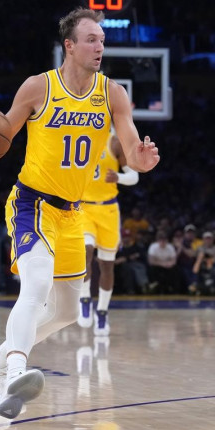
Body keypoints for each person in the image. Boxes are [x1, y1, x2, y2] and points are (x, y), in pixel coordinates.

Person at [0, 7, 159, 420]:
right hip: (31, 204)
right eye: (91, 40)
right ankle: (15, 371)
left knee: (66, 311)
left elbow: (132, 151)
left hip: (73, 213)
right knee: (36, 283)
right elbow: (1, 134)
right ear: (69, 45)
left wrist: (142, 159)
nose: (100, 47)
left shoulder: (113, 94)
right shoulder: (38, 87)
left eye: (102, 40)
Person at [78, 133, 139, 335]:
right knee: (85, 252)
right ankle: (84, 298)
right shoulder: (78, 137)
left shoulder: (114, 142)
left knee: (106, 265)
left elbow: (134, 176)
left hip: (108, 211)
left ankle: (102, 311)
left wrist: (118, 177)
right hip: (84, 208)